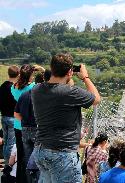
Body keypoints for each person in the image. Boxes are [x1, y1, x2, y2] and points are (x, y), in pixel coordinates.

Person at [32, 53, 101, 183]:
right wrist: (85, 77)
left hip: (41, 149)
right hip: (62, 153)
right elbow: (96, 99)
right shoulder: (70, 92)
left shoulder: (36, 90)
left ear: (51, 68)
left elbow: (51, 82)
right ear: (70, 72)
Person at [14, 71, 50, 183]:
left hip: (25, 130)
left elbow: (16, 114)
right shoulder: (43, 96)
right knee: (38, 159)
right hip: (37, 129)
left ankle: (29, 180)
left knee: (27, 159)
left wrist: (24, 121)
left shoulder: (24, 95)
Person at [11, 64, 40, 183]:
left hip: (18, 124)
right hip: (31, 123)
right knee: (33, 157)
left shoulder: (13, 87)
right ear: (31, 76)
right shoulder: (32, 88)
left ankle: (20, 178)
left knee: (21, 154)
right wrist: (41, 70)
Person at [0, 65, 19, 165]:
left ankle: (7, 162)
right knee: (11, 143)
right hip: (13, 118)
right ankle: (8, 164)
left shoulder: (2, 86)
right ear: (18, 74)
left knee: (6, 142)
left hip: (4, 117)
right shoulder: (14, 88)